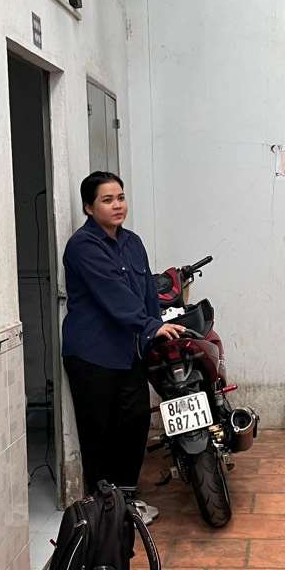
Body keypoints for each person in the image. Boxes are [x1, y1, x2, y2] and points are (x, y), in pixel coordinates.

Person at [62, 171, 184, 521]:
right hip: (92, 355)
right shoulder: (84, 246)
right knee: (99, 433)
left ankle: (127, 502)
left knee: (133, 426)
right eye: (107, 200)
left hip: (130, 351)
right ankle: (103, 511)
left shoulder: (132, 242)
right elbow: (113, 298)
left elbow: (146, 293)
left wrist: (157, 323)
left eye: (120, 198)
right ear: (89, 206)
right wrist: (151, 326)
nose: (117, 205)